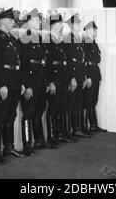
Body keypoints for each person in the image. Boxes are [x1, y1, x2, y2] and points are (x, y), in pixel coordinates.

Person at [0, 8, 25, 163]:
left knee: (11, 115)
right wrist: (1, 85)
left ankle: (8, 147)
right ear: (1, 21)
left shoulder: (13, 39)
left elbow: (19, 63)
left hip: (15, 81)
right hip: (5, 82)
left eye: (12, 19)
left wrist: (21, 82)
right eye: (9, 19)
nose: (13, 21)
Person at [19, 8, 48, 155]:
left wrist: (46, 82)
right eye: (37, 20)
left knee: (38, 112)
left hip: (41, 81)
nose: (40, 22)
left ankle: (39, 140)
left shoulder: (40, 38)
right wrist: (27, 85)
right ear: (29, 21)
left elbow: (43, 62)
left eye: (40, 19)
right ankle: (27, 145)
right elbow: (23, 64)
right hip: (31, 82)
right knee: (28, 114)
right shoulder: (25, 37)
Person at [45, 13, 69, 147]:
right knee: (53, 109)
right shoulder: (48, 40)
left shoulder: (60, 40)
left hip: (63, 77)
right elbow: (47, 64)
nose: (61, 25)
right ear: (53, 25)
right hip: (55, 78)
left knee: (61, 107)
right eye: (60, 23)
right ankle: (51, 137)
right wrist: (51, 82)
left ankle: (59, 135)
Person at [64, 13, 89, 138]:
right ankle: (69, 131)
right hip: (73, 76)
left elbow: (81, 60)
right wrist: (72, 78)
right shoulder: (68, 39)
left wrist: (83, 76)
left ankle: (77, 129)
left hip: (79, 75)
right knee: (71, 104)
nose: (80, 25)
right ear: (71, 25)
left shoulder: (77, 39)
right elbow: (69, 61)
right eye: (78, 23)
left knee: (78, 103)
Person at [82, 21, 106, 133]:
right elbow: (84, 61)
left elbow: (97, 59)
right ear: (87, 31)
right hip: (90, 74)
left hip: (95, 73)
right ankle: (85, 127)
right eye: (93, 29)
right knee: (87, 100)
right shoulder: (85, 43)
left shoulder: (93, 43)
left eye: (96, 29)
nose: (95, 31)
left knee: (93, 100)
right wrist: (87, 77)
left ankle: (93, 125)